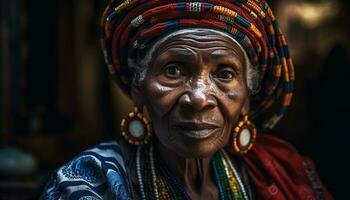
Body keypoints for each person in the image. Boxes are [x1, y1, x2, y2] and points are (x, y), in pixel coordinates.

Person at [41, 0, 333, 199]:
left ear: (247, 98)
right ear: (138, 89)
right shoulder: (90, 182)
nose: (198, 98)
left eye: (225, 74)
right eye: (173, 70)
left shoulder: (282, 176)